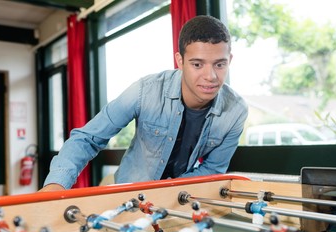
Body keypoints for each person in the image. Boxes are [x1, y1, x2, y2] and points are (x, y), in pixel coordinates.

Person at [41, 15, 248, 191]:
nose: (210, 76)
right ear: (180, 61)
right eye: (197, 64)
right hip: (127, 194)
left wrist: (169, 194)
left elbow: (213, 169)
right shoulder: (144, 91)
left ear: (229, 60)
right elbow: (87, 139)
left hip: (180, 199)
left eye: (220, 64)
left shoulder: (236, 111)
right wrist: (56, 185)